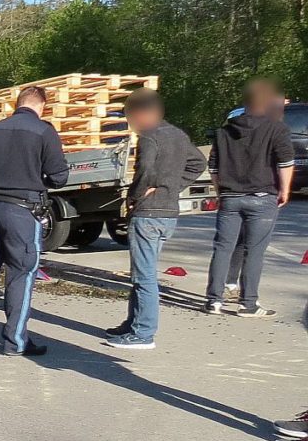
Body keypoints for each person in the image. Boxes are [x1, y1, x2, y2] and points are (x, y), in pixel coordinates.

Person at [0, 86, 69, 356]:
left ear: (18, 103)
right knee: (20, 275)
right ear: (42, 106)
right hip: (22, 211)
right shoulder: (44, 131)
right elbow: (59, 177)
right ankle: (15, 341)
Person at [104, 89, 206, 349]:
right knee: (143, 271)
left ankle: (143, 333)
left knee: (143, 275)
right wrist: (171, 187)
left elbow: (146, 170)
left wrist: (137, 196)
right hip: (168, 212)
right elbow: (198, 163)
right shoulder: (177, 134)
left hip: (148, 213)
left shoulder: (149, 136)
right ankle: (133, 324)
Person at [204, 78, 295, 316]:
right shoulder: (276, 128)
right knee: (254, 251)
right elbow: (285, 161)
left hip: (230, 197)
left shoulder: (223, 132)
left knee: (223, 248)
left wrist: (220, 191)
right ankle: (248, 303)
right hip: (262, 197)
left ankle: (214, 300)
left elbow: (213, 167)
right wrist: (285, 189)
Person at [223, 97, 287, 297]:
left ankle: (228, 285)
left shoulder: (268, 127)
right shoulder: (244, 123)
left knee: (241, 242)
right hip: (256, 191)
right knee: (249, 245)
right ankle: (243, 294)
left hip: (246, 191)